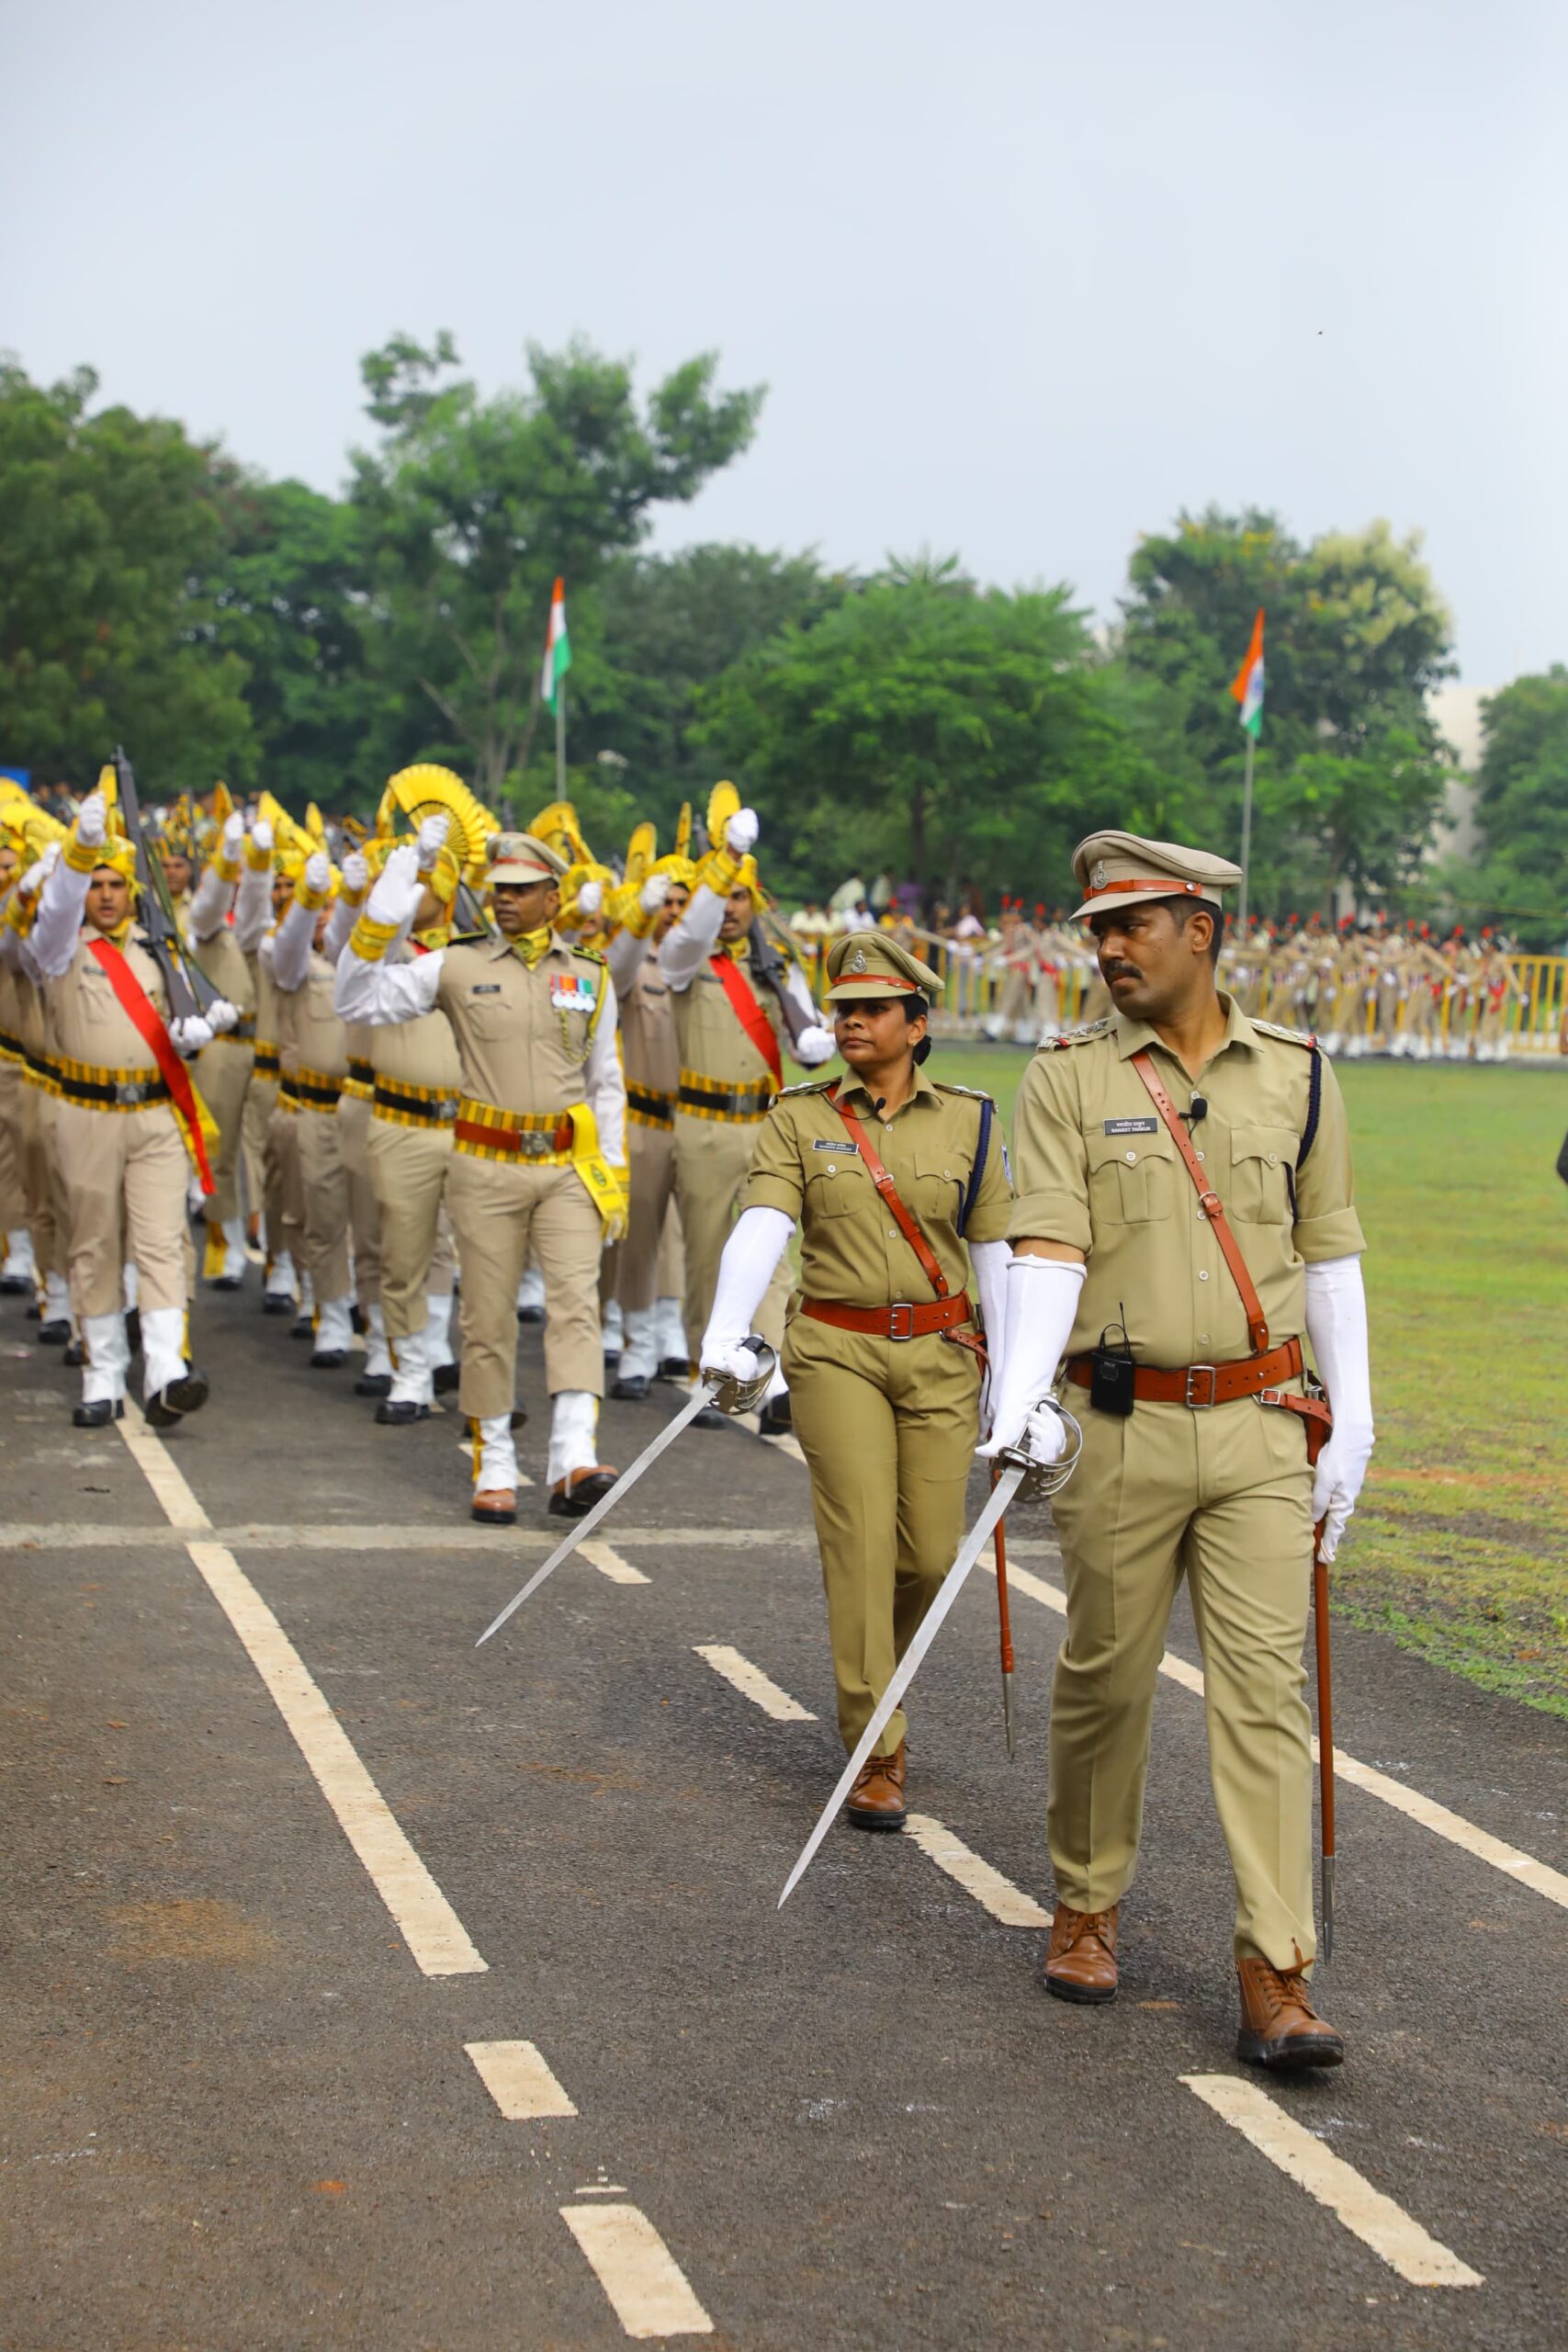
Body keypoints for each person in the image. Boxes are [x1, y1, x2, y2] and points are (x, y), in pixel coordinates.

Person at [982, 831, 1374, 2071]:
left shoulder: (1299, 1075)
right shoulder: (1061, 1078)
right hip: (1116, 1422)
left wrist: (1351, 1414)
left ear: (1195, 930)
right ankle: (1085, 1906)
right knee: (1103, 1673)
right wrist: (1015, 1397)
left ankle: (1275, 1967)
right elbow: (1043, 1245)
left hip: (1262, 1429)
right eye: (1093, 929)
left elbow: (1328, 1254)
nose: (1102, 949)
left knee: (1264, 1696)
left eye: (1127, 926)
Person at [699, 931, 1012, 1826]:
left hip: (944, 1354)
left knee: (929, 1555)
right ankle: (875, 1737)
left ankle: (883, 1674)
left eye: (872, 1009)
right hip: (835, 1349)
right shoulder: (799, 1116)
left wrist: (1016, 1382)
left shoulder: (971, 1119)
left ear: (918, 1024)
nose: (850, 1022)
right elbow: (763, 1223)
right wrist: (727, 1331)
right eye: (842, 1009)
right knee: (864, 1542)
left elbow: (992, 1251)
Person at [336, 829, 627, 1524]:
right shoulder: (455, 965)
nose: (505, 901)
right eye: (498, 889)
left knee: (575, 1308)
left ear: (553, 897)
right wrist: (382, 910)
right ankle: (495, 1458)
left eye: (521, 890)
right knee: (487, 1318)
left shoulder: (590, 973)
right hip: (485, 1163)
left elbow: (606, 1080)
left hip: (566, 1166)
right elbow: (356, 999)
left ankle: (571, 1457)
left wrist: (612, 1170)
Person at [22, 788, 236, 1426]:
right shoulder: (58, 946)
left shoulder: (160, 950)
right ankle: (103, 1372)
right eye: (96, 883)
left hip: (154, 1114)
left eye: (117, 883)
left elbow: (186, 1016)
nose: (107, 894)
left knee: (163, 1241)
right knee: (93, 1243)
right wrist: (77, 851)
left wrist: (194, 1031)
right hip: (84, 1113)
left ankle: (167, 1369)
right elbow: (55, 908)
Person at [658, 801, 836, 1431]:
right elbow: (683, 940)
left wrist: (815, 1039)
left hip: (767, 1128)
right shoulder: (684, 957)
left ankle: (776, 1375)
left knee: (771, 1259)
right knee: (707, 1254)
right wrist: (719, 866)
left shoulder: (776, 964)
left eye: (740, 896)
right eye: (722, 897)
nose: (730, 907)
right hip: (703, 1124)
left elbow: (804, 1036)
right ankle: (706, 1372)